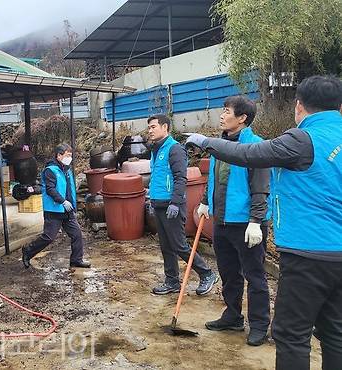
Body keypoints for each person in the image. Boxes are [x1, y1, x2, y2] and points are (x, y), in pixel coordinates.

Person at [186, 75, 342, 370]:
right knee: (334, 332)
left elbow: (251, 158)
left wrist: (205, 142)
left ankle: (258, 324)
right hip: (334, 254)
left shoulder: (301, 140)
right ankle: (232, 315)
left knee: (292, 334)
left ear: (299, 106)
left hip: (308, 252)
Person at [196, 96, 271, 346]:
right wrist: (206, 201)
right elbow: (213, 178)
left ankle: (260, 324)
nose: (221, 115)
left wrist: (256, 220)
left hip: (247, 224)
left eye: (226, 111)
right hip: (223, 222)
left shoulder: (257, 146)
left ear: (242, 118)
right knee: (229, 272)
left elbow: (261, 187)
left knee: (255, 275)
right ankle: (233, 315)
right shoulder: (220, 144)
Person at [147, 114, 218, 296]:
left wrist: (176, 202)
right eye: (149, 127)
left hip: (172, 206)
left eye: (153, 127)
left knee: (179, 245)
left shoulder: (174, 149)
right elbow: (158, 176)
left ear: (165, 127)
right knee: (166, 246)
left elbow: (180, 178)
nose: (150, 130)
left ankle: (207, 273)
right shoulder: (156, 150)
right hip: (159, 204)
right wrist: (151, 197)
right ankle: (172, 281)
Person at [21, 144, 90, 269]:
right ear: (59, 155)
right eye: (67, 155)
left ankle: (76, 259)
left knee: (77, 234)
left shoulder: (66, 169)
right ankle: (28, 251)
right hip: (54, 209)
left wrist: (71, 204)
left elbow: (68, 189)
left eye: (70, 155)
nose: (70, 158)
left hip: (67, 210)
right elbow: (50, 189)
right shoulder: (50, 170)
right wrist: (63, 201)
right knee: (48, 237)